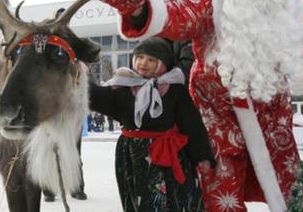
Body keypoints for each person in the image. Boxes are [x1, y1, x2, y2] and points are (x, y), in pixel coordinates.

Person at [98, 0, 303, 212]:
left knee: (292, 196)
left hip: (272, 125)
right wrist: (137, 7)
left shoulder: (294, 10)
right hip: (214, 124)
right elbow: (178, 13)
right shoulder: (211, 0)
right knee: (220, 202)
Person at [89, 37, 215, 212]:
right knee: (138, 202)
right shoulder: (122, 86)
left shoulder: (174, 88)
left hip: (167, 156)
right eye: (139, 57)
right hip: (133, 157)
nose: (143, 63)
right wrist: (74, 76)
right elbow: (94, 97)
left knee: (170, 202)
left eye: (151, 60)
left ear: (163, 64)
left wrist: (202, 156)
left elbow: (192, 124)